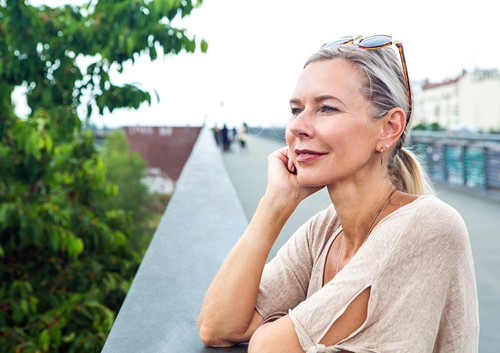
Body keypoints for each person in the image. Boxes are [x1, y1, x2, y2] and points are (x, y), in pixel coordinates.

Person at [198, 35, 479, 353]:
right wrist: (274, 205)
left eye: (326, 108)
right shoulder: (323, 232)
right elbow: (217, 327)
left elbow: (268, 348)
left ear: (389, 128)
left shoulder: (427, 225)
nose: (297, 127)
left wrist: (271, 332)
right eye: (295, 109)